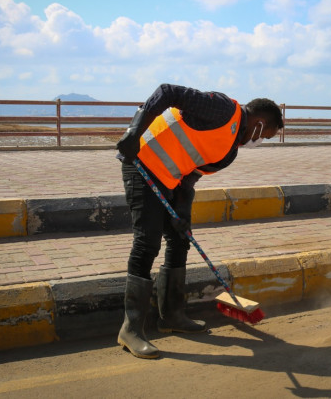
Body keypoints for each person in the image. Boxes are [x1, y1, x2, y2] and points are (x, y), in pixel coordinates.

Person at [115, 84, 283, 358]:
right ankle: (130, 329)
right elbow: (166, 92)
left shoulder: (229, 152)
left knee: (180, 240)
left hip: (169, 180)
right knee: (147, 242)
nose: (259, 141)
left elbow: (191, 175)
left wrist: (182, 211)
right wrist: (135, 132)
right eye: (264, 136)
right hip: (141, 162)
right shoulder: (222, 109)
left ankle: (171, 316)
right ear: (259, 123)